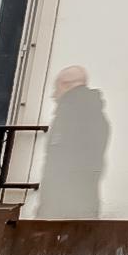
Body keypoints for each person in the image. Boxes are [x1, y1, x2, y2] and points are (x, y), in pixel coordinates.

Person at [34, 64, 109, 220]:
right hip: (84, 203)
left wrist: (48, 207)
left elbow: (60, 164)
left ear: (65, 85)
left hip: (63, 209)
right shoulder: (97, 115)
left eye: (56, 88)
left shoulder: (70, 113)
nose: (54, 95)